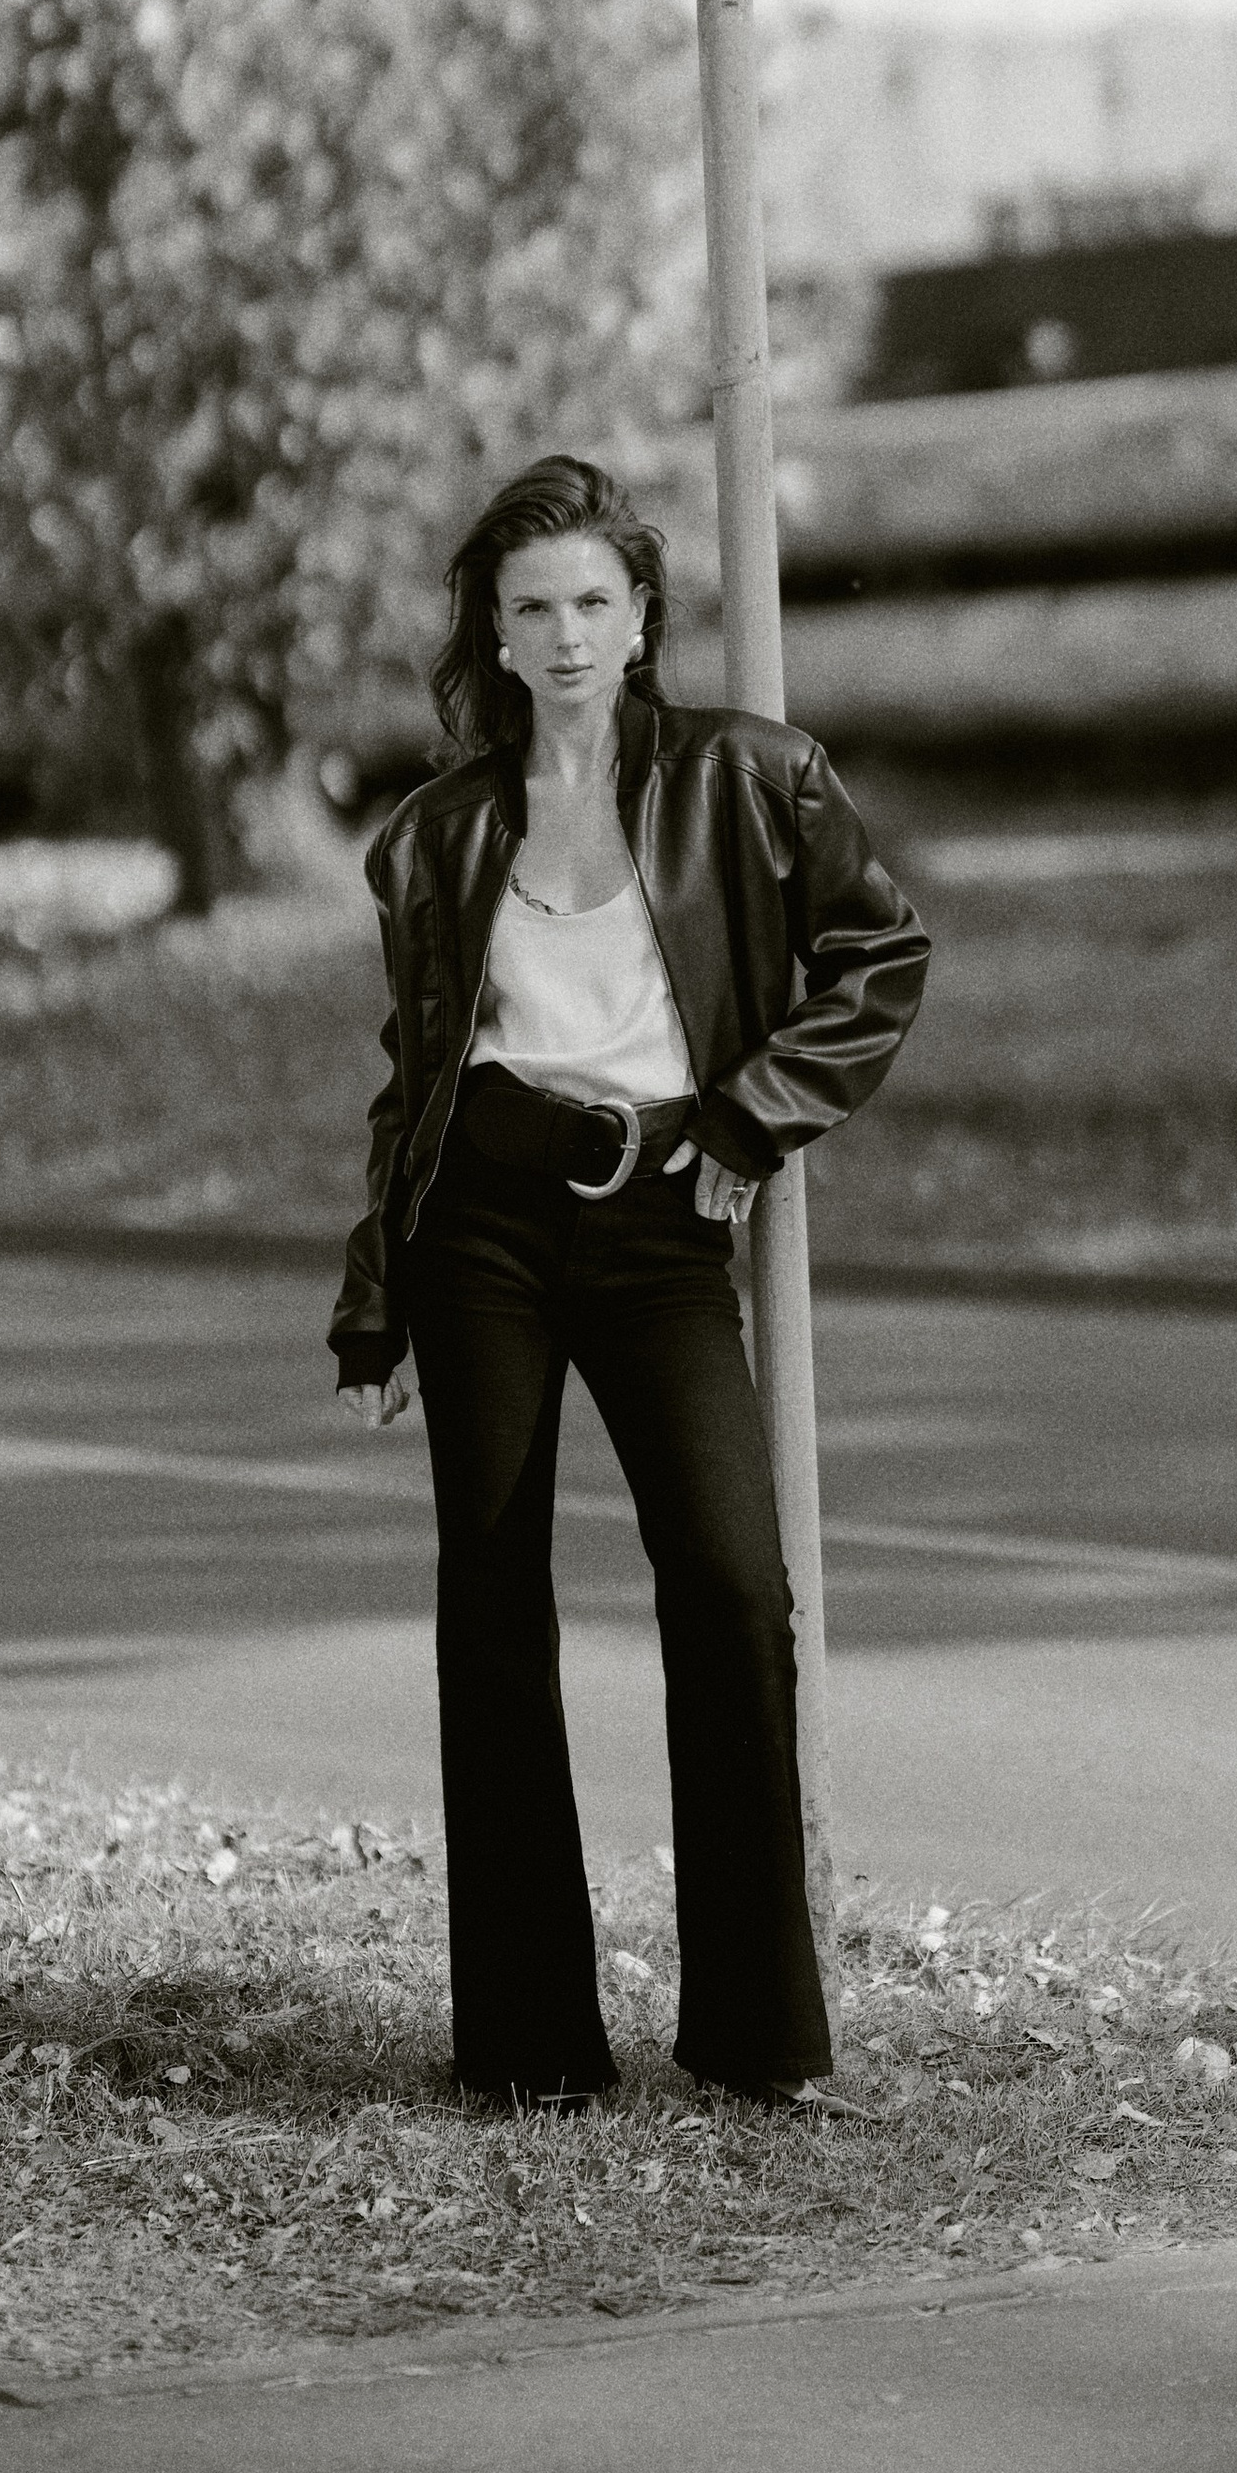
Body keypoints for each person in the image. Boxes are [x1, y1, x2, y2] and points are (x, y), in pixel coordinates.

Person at [335, 454, 929, 2112]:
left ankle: (755, 2040)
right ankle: (528, 2048)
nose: (570, 632)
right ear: (499, 640)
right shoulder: (439, 839)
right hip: (490, 1230)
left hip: (667, 1218)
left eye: (597, 600)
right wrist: (375, 1294)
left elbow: (882, 954)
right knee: (495, 1606)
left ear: (645, 617)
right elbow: (420, 1077)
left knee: (736, 1587)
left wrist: (754, 1116)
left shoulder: (754, 780)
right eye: (535, 609)